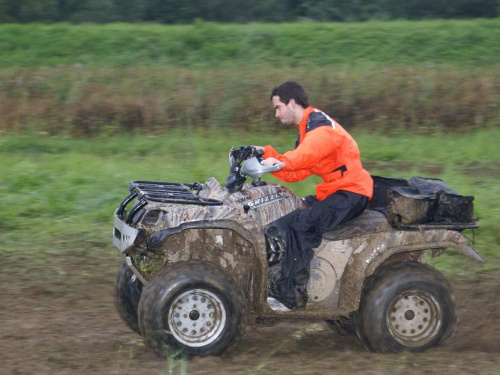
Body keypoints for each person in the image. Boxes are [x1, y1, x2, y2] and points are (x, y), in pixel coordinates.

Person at [256, 81, 373, 310]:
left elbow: (305, 155)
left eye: (278, 107)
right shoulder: (307, 131)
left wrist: (281, 160)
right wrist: (265, 155)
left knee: (301, 226)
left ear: (292, 103)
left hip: (352, 192)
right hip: (338, 190)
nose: (276, 114)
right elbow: (298, 171)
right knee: (292, 212)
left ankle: (291, 297)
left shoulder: (320, 125)